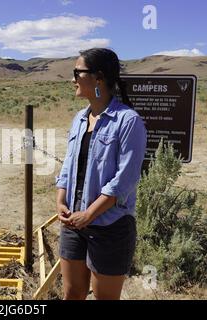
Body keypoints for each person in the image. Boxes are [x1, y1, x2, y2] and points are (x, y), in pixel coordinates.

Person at [55, 48, 147, 300]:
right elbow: (69, 165)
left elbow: (125, 180)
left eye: (77, 72)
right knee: (72, 293)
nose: (72, 79)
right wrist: (61, 200)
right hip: (74, 222)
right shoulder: (79, 119)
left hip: (110, 226)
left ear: (98, 78)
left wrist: (90, 214)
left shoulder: (128, 121)